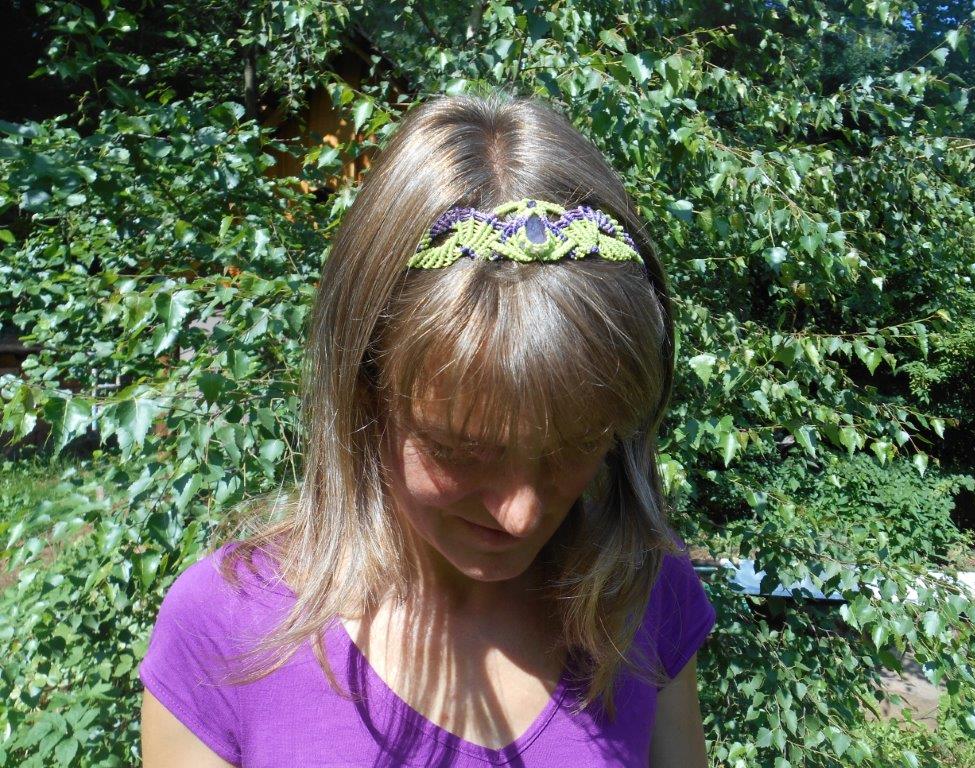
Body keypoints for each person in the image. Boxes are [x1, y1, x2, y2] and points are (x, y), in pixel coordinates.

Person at [138, 89, 717, 767]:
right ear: (364, 387)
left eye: (578, 443)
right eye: (459, 448)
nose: (521, 513)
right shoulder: (226, 628)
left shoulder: (643, 597)